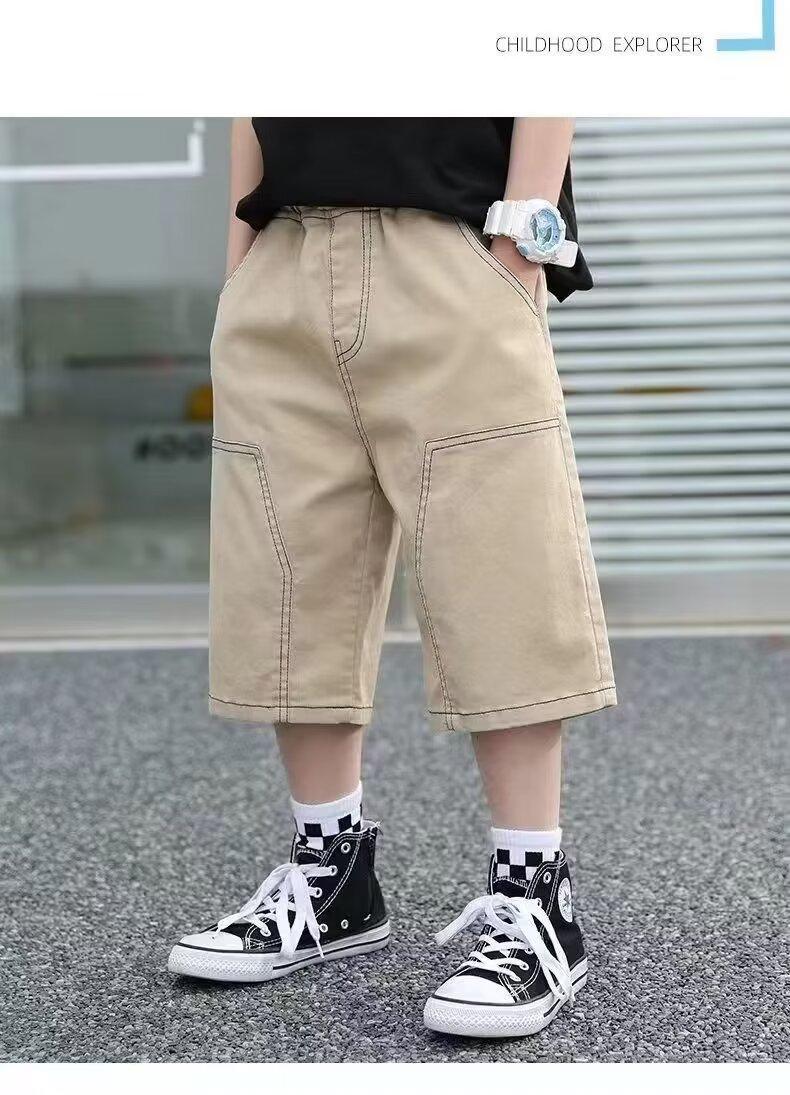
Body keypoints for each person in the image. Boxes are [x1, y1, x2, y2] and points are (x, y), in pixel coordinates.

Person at [167, 118, 616, 1040]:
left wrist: (519, 247)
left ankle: (536, 895)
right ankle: (332, 877)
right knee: (288, 575)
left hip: (451, 247)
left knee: (499, 570)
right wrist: (240, 269)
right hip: (285, 256)